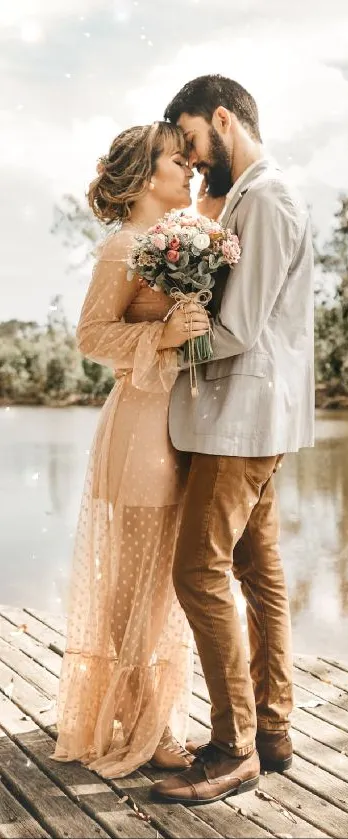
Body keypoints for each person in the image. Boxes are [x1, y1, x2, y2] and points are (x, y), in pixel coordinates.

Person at [152, 76, 315, 804]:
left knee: (198, 572)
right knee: (258, 569)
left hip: (240, 420)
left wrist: (163, 345)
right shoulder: (244, 196)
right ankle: (271, 730)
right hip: (242, 418)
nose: (190, 159)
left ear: (222, 118)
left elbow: (237, 329)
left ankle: (231, 747)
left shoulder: (269, 197)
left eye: (189, 139)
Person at [52, 121, 209, 779]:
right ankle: (144, 716)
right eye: (180, 162)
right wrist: (166, 333)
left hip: (179, 424)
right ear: (148, 175)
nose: (191, 173)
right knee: (137, 580)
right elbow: (90, 336)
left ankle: (144, 706)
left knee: (164, 577)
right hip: (138, 428)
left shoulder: (182, 241)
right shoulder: (122, 247)